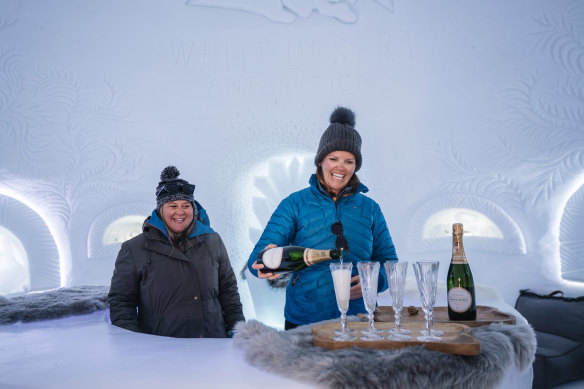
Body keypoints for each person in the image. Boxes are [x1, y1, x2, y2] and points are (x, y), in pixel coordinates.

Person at [247, 106, 399, 330]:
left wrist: (375, 282)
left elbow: (390, 262)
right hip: (305, 319)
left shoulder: (371, 209)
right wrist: (263, 262)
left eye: (349, 161)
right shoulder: (294, 204)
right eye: (333, 158)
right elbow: (257, 258)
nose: (340, 167)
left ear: (356, 166)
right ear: (320, 161)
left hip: (360, 319)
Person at [109, 166, 245, 338]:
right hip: (162, 349)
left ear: (194, 209)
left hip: (213, 344)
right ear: (160, 210)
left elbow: (228, 290)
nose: (180, 212)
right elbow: (122, 302)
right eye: (172, 205)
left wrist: (237, 329)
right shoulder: (134, 249)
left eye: (186, 205)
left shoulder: (212, 240)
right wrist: (132, 342)